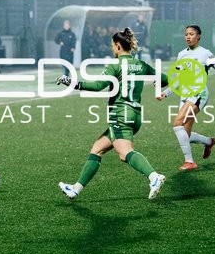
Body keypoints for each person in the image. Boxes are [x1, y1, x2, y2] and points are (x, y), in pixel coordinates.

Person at [56, 27, 169, 200]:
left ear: (117, 46)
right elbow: (165, 79)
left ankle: (154, 177)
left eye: (112, 45)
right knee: (97, 149)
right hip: (135, 115)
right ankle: (76, 189)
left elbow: (97, 86)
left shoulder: (115, 66)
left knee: (125, 153)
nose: (111, 48)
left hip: (120, 114)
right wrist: (156, 83)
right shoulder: (141, 65)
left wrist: (72, 83)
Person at [158, 24, 215, 171]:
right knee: (185, 133)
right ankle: (209, 142)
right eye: (186, 34)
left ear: (198, 36)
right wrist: (166, 92)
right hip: (185, 96)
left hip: (199, 94)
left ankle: (190, 161)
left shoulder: (205, 54)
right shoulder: (181, 54)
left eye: (191, 34)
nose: (188, 37)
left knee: (177, 123)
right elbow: (180, 79)